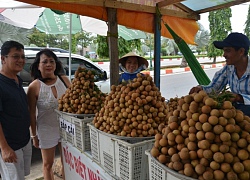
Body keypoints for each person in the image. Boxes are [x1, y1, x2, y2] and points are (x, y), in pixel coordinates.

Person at [27, 49, 71, 180]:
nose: (48, 64)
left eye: (52, 61)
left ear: (56, 64)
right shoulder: (34, 86)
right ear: (38, 66)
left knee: (67, 162)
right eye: (44, 61)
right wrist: (34, 135)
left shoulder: (64, 80)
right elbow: (31, 114)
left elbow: (75, 101)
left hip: (66, 128)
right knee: (47, 164)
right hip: (46, 130)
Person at [189, 32, 250, 116]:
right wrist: (201, 88)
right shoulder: (228, 69)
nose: (224, 55)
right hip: (235, 113)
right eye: (224, 51)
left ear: (241, 51)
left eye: (228, 51)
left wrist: (239, 98)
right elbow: (214, 88)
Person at [0, 40, 32, 180]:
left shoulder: (17, 80)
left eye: (23, 56)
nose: (21, 60)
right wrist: (4, 148)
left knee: (22, 176)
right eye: (15, 56)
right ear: (3, 59)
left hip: (24, 140)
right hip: (10, 146)